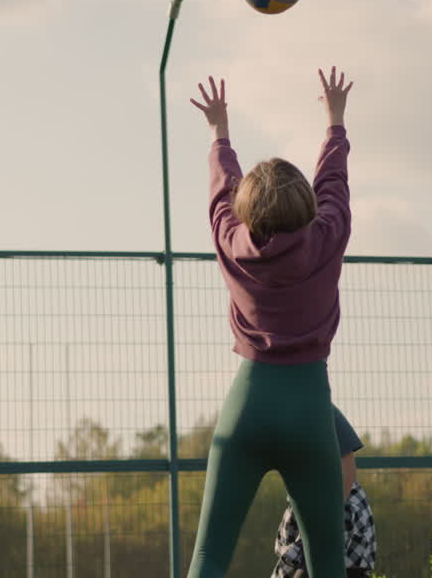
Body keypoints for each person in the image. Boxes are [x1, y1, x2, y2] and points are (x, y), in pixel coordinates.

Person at [184, 67, 355, 578]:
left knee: (209, 556)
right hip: (309, 412)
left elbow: (221, 195)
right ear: (306, 207)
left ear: (246, 212)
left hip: (248, 408)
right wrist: (335, 122)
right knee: (328, 563)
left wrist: (220, 133)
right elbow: (333, 186)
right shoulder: (326, 238)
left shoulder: (232, 243)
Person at [270, 406, 377, 578]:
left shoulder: (322, 410)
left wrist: (328, 514)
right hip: (305, 504)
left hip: (337, 506)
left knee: (328, 566)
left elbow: (347, 471)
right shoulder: (276, 413)